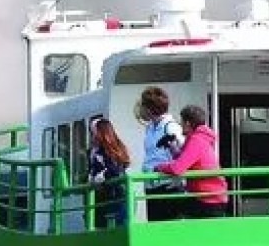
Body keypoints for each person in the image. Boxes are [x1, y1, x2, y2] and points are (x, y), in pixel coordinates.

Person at [155, 104, 229, 218]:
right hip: (207, 196)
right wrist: (171, 147)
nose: (180, 124)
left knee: (167, 207)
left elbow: (177, 168)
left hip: (208, 199)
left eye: (181, 121)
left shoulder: (196, 140)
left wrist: (159, 167)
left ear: (188, 123)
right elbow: (184, 159)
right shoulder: (197, 138)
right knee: (172, 206)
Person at [133, 87, 186, 221]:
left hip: (168, 185)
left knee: (169, 230)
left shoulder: (171, 127)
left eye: (143, 106)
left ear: (149, 109)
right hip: (152, 185)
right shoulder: (150, 127)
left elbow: (184, 155)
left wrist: (179, 179)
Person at [86, 115, 133, 228]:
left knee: (115, 228)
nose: (92, 136)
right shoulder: (93, 151)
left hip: (114, 197)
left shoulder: (110, 150)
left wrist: (101, 176)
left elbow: (116, 169)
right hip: (102, 198)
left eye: (93, 132)